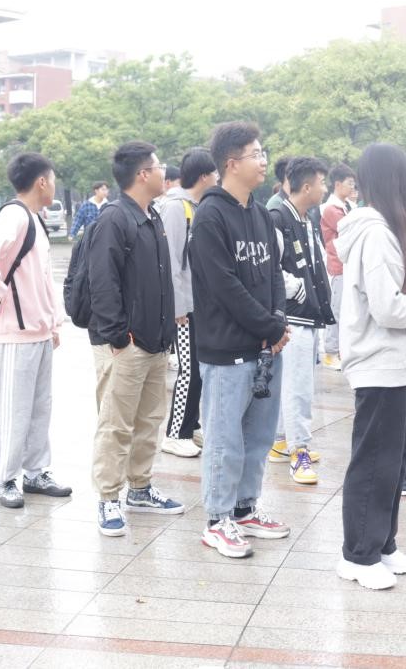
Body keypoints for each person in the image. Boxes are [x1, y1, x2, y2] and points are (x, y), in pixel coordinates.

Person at [333, 144, 406, 590]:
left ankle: (382, 543)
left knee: (393, 460)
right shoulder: (375, 233)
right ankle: (358, 554)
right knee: (374, 461)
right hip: (377, 361)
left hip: (394, 362)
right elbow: (386, 307)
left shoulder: (385, 228)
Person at [189, 122, 291, 558]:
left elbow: (273, 276)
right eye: (256, 154)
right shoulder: (210, 216)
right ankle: (217, 520)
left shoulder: (261, 214)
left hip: (265, 347)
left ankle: (245, 508)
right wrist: (269, 327)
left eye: (263, 152)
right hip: (226, 350)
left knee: (258, 437)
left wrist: (278, 321)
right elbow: (224, 287)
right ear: (232, 163)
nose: (264, 161)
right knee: (224, 439)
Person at [85, 142, 184, 533]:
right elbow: (102, 282)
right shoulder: (114, 218)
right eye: (159, 166)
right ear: (143, 174)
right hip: (125, 344)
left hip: (155, 340)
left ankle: (140, 488)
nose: (164, 172)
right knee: (116, 424)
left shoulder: (151, 215)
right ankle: (108, 497)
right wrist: (117, 336)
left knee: (148, 421)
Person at [0, 152, 71, 508]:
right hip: (14, 333)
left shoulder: (32, 219)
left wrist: (53, 322)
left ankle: (34, 471)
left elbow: (41, 279)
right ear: (41, 182)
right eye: (52, 179)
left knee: (39, 409)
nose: (53, 185)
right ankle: (6, 477)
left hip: (37, 332)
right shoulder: (14, 216)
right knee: (12, 410)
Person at [268, 157, 334, 484]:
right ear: (306, 187)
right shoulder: (279, 218)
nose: (325, 188)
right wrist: (296, 288)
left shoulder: (306, 219)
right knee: (299, 389)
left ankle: (282, 441)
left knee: (295, 385)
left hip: (308, 315)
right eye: (322, 183)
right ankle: (300, 453)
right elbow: (268, 268)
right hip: (293, 317)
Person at [159, 147, 219, 458]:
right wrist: (178, 307)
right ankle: (175, 433)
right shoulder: (176, 208)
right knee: (189, 370)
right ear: (204, 176)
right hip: (184, 308)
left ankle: (191, 425)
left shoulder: (195, 206)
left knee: (199, 369)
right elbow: (171, 261)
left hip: (198, 304)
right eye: (215, 173)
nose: (218, 178)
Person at [320, 163, 357, 370]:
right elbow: (350, 230)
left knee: (345, 311)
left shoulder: (346, 206)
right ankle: (330, 352)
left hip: (345, 265)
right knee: (336, 311)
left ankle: (340, 351)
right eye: (349, 183)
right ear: (337, 184)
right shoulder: (331, 209)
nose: (352, 187)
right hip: (337, 266)